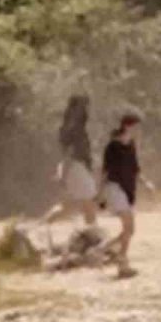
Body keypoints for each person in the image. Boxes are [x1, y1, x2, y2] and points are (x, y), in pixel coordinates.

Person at [100, 111, 152, 278]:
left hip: (127, 190)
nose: (139, 131)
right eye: (137, 127)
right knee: (128, 227)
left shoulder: (131, 145)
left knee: (130, 229)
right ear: (128, 126)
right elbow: (105, 172)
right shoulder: (112, 146)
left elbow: (135, 169)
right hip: (114, 188)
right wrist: (100, 194)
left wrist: (146, 183)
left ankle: (109, 251)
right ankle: (117, 258)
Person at [43, 96, 97, 231]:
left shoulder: (73, 127)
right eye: (84, 107)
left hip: (76, 167)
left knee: (70, 206)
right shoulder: (73, 129)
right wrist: (63, 174)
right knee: (87, 204)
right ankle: (92, 235)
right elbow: (68, 153)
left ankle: (44, 224)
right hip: (75, 167)